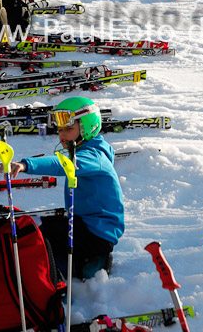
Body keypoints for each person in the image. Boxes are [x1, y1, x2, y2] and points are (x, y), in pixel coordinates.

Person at [11, 96, 125, 279]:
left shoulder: (93, 156)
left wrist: (26, 165)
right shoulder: (90, 150)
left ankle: (80, 266)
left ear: (87, 127)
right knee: (43, 231)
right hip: (90, 227)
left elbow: (64, 164)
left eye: (69, 129)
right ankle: (83, 263)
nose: (62, 134)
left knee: (36, 233)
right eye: (60, 129)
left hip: (96, 232)